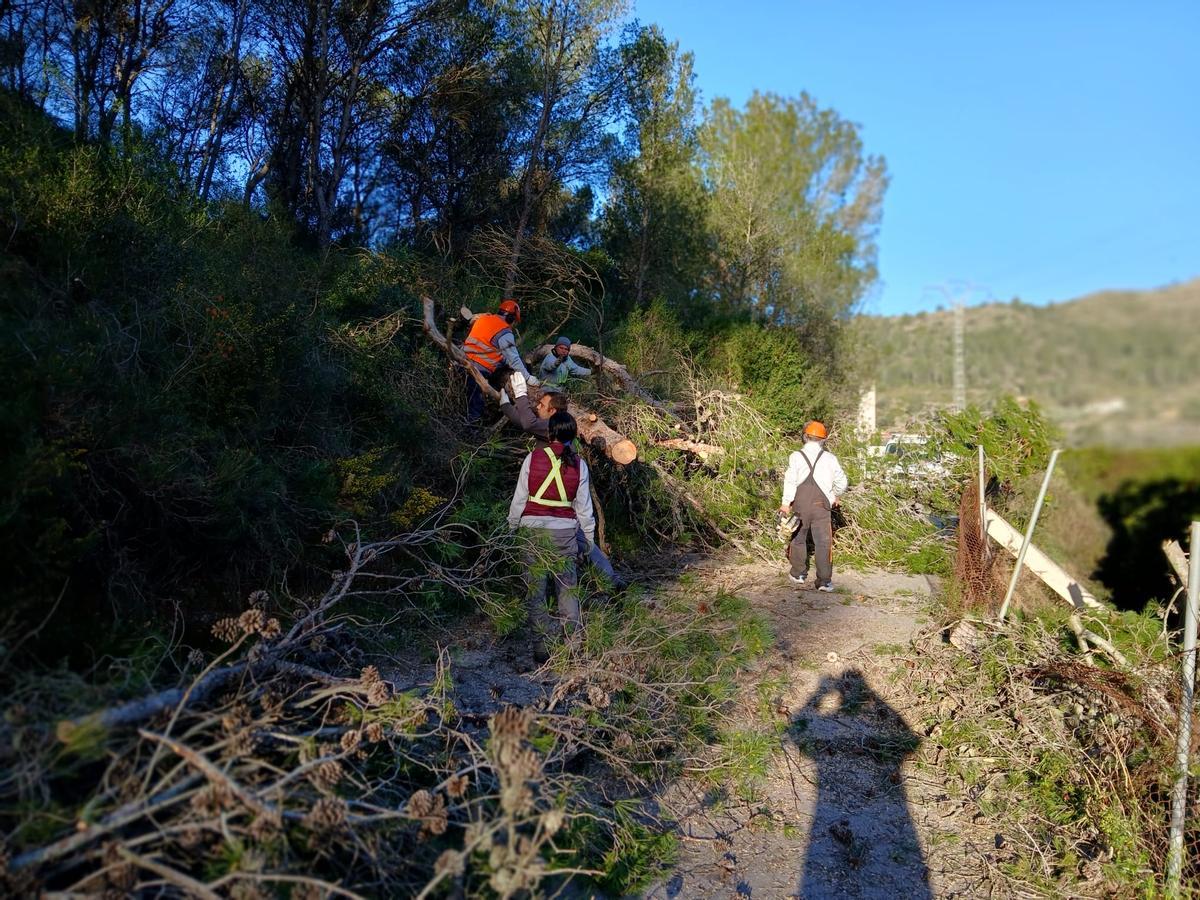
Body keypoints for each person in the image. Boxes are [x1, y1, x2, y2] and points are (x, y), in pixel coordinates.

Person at [499, 372, 621, 587]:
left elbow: (527, 423)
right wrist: (505, 405)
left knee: (579, 544)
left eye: (542, 404)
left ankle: (608, 581)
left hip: (559, 506)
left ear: (552, 411)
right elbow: (522, 420)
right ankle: (609, 581)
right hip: (562, 506)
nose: (537, 407)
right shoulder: (551, 427)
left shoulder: (549, 428)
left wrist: (519, 395)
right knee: (583, 544)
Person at [507, 412, 596, 646]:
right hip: (565, 535)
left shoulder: (532, 458)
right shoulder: (580, 465)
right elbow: (585, 509)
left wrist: (511, 529)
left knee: (535, 593)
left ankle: (541, 647)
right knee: (567, 590)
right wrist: (588, 541)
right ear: (573, 436)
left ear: (549, 432)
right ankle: (573, 644)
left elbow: (519, 500)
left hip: (531, 533)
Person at [779, 420, 849, 591]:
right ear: (823, 440)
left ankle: (798, 574)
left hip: (801, 505)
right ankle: (824, 582)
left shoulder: (795, 456)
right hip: (822, 507)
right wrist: (836, 496)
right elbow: (842, 482)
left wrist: (785, 504)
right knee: (823, 543)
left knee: (797, 540)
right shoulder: (831, 459)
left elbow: (790, 481)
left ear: (805, 437)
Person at [462, 298, 538, 423]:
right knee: (476, 402)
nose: (512, 325)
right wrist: (528, 377)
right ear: (511, 318)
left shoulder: (483, 319)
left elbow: (486, 343)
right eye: (513, 322)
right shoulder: (504, 332)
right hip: (479, 368)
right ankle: (472, 428)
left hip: (463, 358)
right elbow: (514, 360)